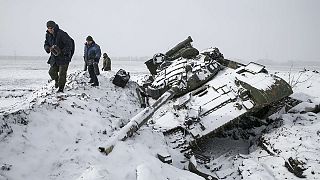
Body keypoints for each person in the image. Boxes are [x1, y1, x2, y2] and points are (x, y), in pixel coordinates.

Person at [44, 20, 74, 93]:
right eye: (48, 28)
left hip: (64, 57)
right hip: (54, 57)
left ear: (54, 27)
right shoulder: (47, 34)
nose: (50, 29)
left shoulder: (62, 34)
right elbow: (46, 44)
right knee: (51, 72)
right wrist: (49, 48)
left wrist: (61, 51)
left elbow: (69, 45)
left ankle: (61, 89)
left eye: (51, 28)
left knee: (62, 74)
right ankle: (56, 81)